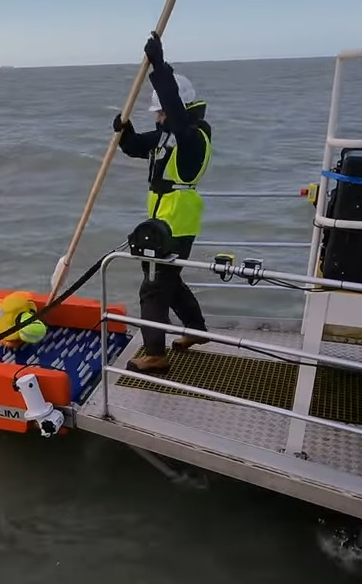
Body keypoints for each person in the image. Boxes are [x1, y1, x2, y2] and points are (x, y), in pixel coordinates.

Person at [113, 32, 212, 375]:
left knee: (153, 287)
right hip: (165, 221)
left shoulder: (193, 137)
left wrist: (159, 64)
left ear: (175, 108)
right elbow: (137, 147)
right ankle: (197, 331)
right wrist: (124, 132)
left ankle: (155, 354)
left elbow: (174, 110)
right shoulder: (168, 136)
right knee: (169, 281)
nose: (157, 117)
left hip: (176, 222)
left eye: (160, 111)